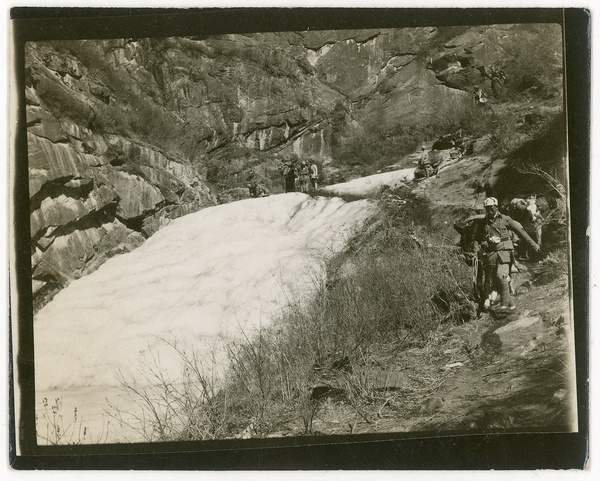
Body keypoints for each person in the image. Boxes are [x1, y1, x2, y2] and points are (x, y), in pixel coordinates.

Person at [471, 197, 540, 312]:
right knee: (498, 281)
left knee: (501, 276)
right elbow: (477, 238)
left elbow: (522, 232)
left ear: (496, 207)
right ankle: (511, 303)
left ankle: (504, 305)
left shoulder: (505, 219)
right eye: (487, 208)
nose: (490, 211)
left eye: (492, 208)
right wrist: (478, 248)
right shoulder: (484, 222)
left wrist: (534, 245)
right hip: (491, 255)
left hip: (505, 252)